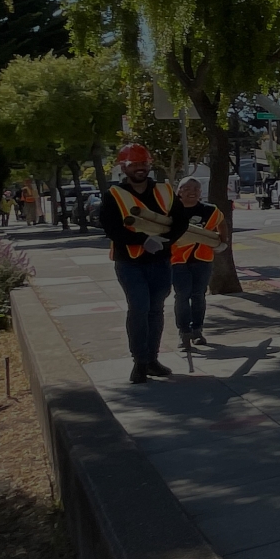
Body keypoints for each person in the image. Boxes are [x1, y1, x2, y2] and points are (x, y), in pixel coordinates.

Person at [99, 144, 184, 384]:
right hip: (130, 262)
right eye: (134, 165)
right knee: (139, 308)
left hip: (160, 261)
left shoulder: (165, 190)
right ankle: (139, 361)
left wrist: (165, 243)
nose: (140, 168)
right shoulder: (113, 195)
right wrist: (142, 240)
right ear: (124, 167)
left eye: (143, 164)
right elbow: (111, 229)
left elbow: (180, 221)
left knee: (156, 309)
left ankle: (152, 360)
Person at [170, 177, 223, 350]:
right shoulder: (170, 210)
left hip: (202, 259)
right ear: (179, 191)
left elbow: (222, 223)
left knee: (198, 295)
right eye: (187, 188)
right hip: (177, 260)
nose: (192, 191)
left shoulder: (209, 210)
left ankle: (197, 331)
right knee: (182, 295)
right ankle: (184, 333)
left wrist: (223, 241)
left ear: (200, 192)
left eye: (196, 188)